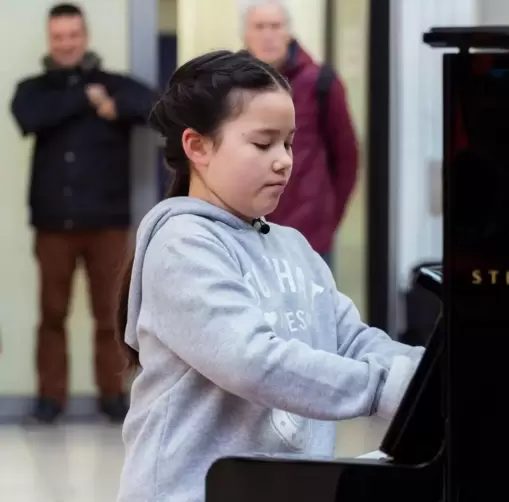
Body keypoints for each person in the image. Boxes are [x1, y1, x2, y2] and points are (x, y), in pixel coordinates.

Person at [115, 50, 423, 502]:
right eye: (263, 144)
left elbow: (352, 340)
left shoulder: (293, 246)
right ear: (197, 147)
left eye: (289, 143)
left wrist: (424, 374)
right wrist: (385, 388)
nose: (283, 161)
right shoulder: (181, 243)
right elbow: (251, 361)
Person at [9, 3, 155, 424]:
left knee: (110, 316)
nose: (67, 43)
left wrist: (112, 105)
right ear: (50, 39)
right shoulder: (34, 89)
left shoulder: (112, 86)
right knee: (51, 315)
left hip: (107, 223)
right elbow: (27, 117)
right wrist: (82, 96)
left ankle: (112, 396)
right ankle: (49, 399)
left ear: (85, 36)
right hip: (53, 223)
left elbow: (153, 104)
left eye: (73, 35)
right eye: (59, 36)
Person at [242, 0, 358, 268]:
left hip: (308, 236)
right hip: (246, 233)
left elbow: (346, 158)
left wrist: (327, 220)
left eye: (275, 26)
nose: (268, 34)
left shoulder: (320, 82)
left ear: (288, 32)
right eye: (259, 27)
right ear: (246, 35)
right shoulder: (231, 87)